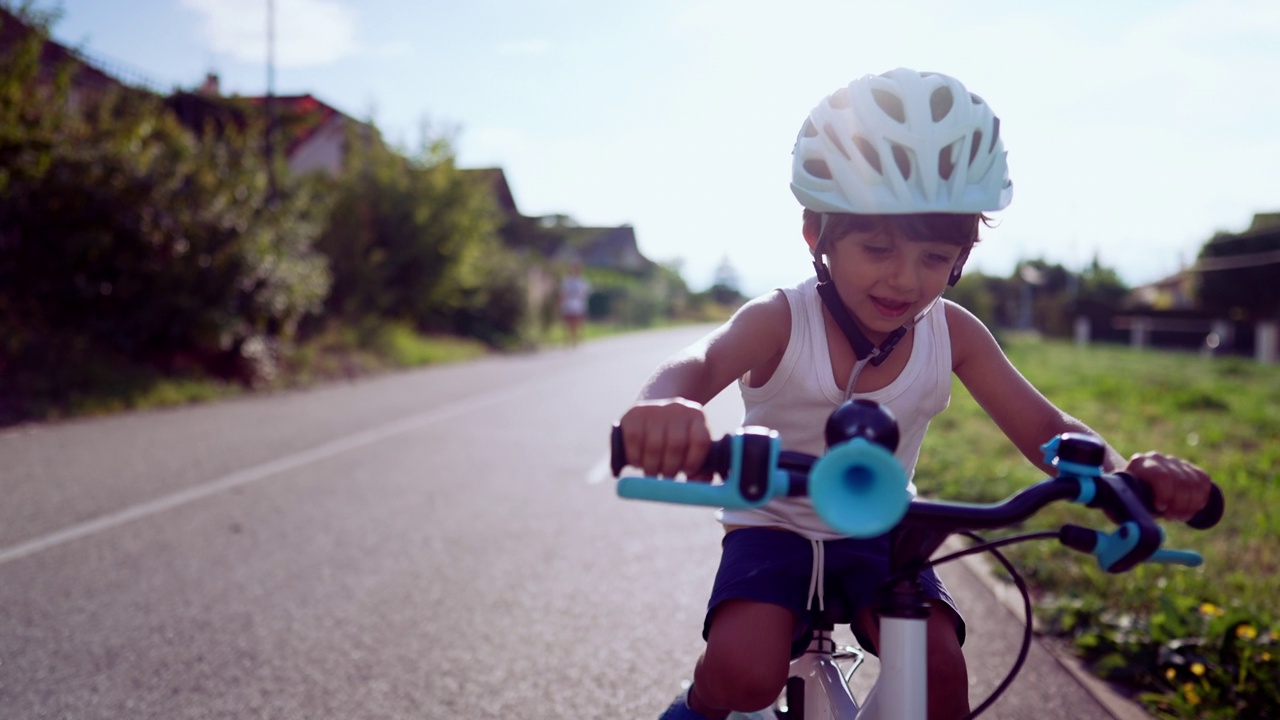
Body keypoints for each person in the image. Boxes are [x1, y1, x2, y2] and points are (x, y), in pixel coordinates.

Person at [616, 68, 1213, 720]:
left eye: (934, 258)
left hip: (887, 532)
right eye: (877, 247)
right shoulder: (781, 319)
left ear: (960, 258)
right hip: (774, 523)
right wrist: (665, 406)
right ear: (817, 236)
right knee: (743, 672)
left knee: (939, 677)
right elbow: (699, 364)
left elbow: (1048, 428)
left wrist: (1125, 475)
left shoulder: (953, 333)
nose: (905, 279)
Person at [560, 260, 590, 346]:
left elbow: (584, 294)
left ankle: (576, 339)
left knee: (577, 322)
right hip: (568, 304)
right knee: (568, 322)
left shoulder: (583, 281)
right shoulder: (567, 281)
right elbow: (564, 292)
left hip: (578, 304)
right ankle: (567, 339)